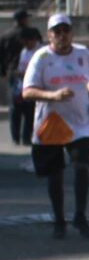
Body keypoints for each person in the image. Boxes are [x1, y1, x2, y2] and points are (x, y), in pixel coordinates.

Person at [21, 14, 89, 239]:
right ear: (49, 35)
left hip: (80, 123)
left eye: (66, 31)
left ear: (71, 33)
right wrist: (52, 95)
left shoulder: (83, 54)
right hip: (52, 124)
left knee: (82, 166)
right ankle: (59, 219)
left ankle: (80, 216)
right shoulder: (41, 57)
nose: (62, 36)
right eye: (57, 31)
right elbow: (27, 92)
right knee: (55, 175)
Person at [3, 9, 41, 148]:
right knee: (29, 108)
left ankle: (15, 137)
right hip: (30, 73)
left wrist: (4, 72)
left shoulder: (6, 36)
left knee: (15, 108)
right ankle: (26, 137)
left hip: (13, 73)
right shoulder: (32, 33)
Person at [11, 27, 42, 162]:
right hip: (21, 87)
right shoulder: (24, 51)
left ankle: (28, 137)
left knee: (30, 115)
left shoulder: (40, 52)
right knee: (17, 112)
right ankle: (17, 137)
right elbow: (22, 67)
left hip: (34, 88)